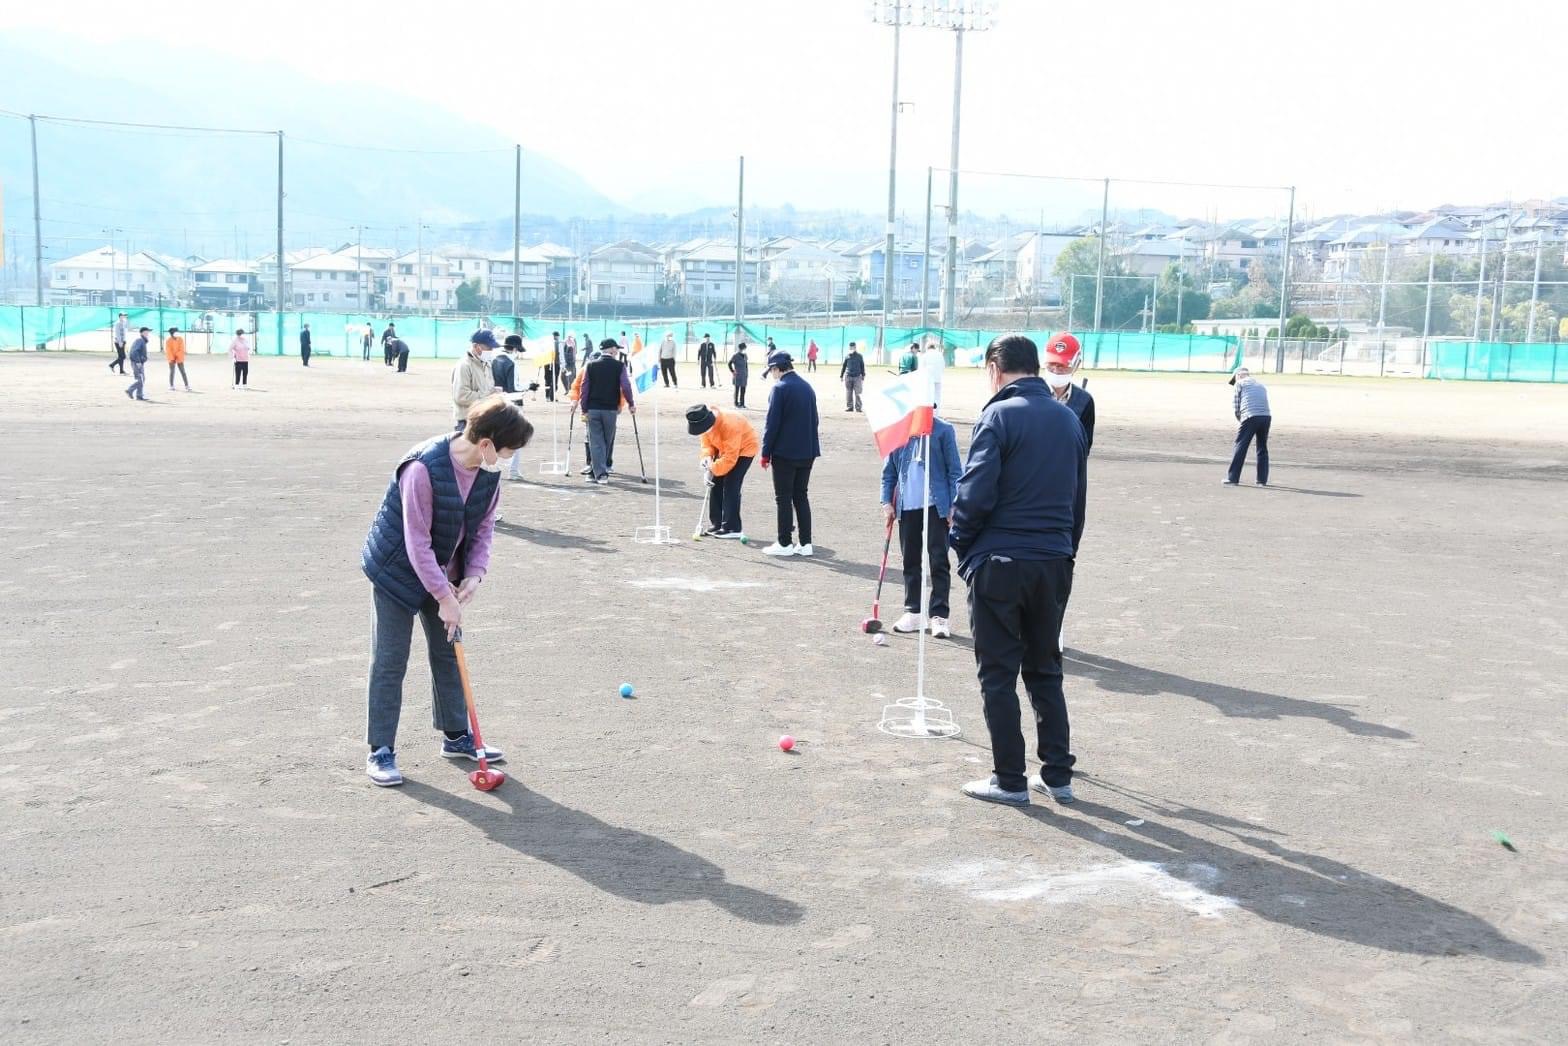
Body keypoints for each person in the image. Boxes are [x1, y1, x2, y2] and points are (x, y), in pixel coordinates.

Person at [360, 394, 535, 787]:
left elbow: (485, 528)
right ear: (486, 443)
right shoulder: (423, 468)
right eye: (508, 450)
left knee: (449, 651)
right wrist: (444, 598)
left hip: (443, 569)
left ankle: (457, 736)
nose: (509, 457)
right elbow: (416, 542)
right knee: (390, 659)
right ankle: (381, 750)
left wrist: (473, 573)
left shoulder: (489, 475)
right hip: (397, 571)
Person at [949, 334, 1087, 807]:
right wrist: (1065, 554)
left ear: (995, 369)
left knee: (998, 675)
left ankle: (1010, 779)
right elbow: (1078, 500)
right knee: (1046, 671)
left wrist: (962, 548)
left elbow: (974, 494)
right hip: (1052, 559)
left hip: (1002, 562)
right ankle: (1057, 775)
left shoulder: (997, 415)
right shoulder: (1068, 419)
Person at [880, 410, 962, 638]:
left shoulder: (944, 430)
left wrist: (954, 506)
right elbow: (889, 474)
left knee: (938, 560)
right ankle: (913, 612)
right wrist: (886, 501)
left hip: (937, 507)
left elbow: (955, 471)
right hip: (907, 507)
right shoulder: (898, 432)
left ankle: (939, 616)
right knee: (910, 561)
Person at [758, 351, 820, 557]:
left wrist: (765, 453)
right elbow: (815, 420)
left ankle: (784, 542)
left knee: (783, 498)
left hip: (785, 453)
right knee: (801, 496)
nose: (772, 374)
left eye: (772, 370)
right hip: (808, 451)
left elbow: (771, 425)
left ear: (777, 368)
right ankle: (806, 543)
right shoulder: (808, 386)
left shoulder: (779, 388)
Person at [687, 403, 758, 538]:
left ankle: (732, 528)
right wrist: (706, 458)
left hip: (745, 448)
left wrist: (712, 469)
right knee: (715, 483)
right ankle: (717, 523)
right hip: (724, 449)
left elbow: (731, 457)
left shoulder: (730, 424)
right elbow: (707, 444)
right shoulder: (704, 424)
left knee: (731, 483)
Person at [574, 338, 636, 484]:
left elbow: (584, 388)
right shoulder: (619, 365)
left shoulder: (590, 365)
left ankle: (595, 473)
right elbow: (626, 386)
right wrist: (631, 403)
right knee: (606, 441)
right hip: (610, 410)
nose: (617, 351)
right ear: (611, 349)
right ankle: (601, 473)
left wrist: (584, 408)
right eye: (616, 348)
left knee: (596, 442)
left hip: (593, 408)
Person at [1224, 366, 1271, 486]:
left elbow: (1237, 406)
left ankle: (1233, 478)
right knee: (1262, 448)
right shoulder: (1261, 385)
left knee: (1241, 445)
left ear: (1238, 375)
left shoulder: (1239, 383)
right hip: (1266, 417)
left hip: (1250, 416)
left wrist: (1241, 420)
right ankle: (1262, 480)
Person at [453, 330, 499, 431]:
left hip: (484, 419)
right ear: (476, 346)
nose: (491, 350)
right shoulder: (464, 365)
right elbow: (461, 396)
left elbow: (487, 389)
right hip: (467, 422)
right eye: (489, 347)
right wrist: (488, 396)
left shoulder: (487, 364)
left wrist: (495, 393)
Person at [124, 326, 151, 401]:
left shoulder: (142, 341)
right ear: (142, 333)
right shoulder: (140, 340)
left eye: (148, 332)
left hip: (139, 362)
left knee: (142, 379)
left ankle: (139, 395)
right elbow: (134, 352)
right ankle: (129, 390)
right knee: (140, 379)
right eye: (146, 332)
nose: (148, 333)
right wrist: (138, 361)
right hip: (137, 362)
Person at [840, 341, 866, 412]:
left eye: (852, 347)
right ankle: (850, 407)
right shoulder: (847, 356)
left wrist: (863, 375)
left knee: (858, 393)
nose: (851, 348)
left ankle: (858, 408)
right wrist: (841, 376)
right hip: (848, 376)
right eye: (850, 347)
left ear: (855, 347)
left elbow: (862, 366)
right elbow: (844, 366)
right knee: (849, 393)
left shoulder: (859, 356)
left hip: (857, 377)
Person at [164, 326, 191, 392]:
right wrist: (172, 358)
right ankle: (171, 386)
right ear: (172, 333)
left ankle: (187, 386)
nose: (177, 333)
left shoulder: (180, 339)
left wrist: (178, 356)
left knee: (183, 371)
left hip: (179, 357)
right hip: (171, 358)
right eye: (176, 331)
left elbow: (181, 348)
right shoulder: (168, 340)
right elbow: (168, 350)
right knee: (172, 371)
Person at [922, 337, 947, 408]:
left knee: (928, 396)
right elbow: (943, 366)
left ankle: (928, 413)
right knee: (937, 396)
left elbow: (921, 368)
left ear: (927, 348)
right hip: (938, 378)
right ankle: (936, 413)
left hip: (928, 379)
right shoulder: (940, 355)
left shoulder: (925, 355)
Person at [728, 342, 750, 408]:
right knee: (737, 389)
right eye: (744, 348)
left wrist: (747, 373)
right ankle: (736, 403)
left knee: (743, 390)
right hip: (737, 375)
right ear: (741, 348)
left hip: (744, 375)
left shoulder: (745, 355)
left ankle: (742, 403)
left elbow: (746, 365)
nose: (745, 349)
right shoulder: (735, 355)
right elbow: (729, 364)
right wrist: (732, 371)